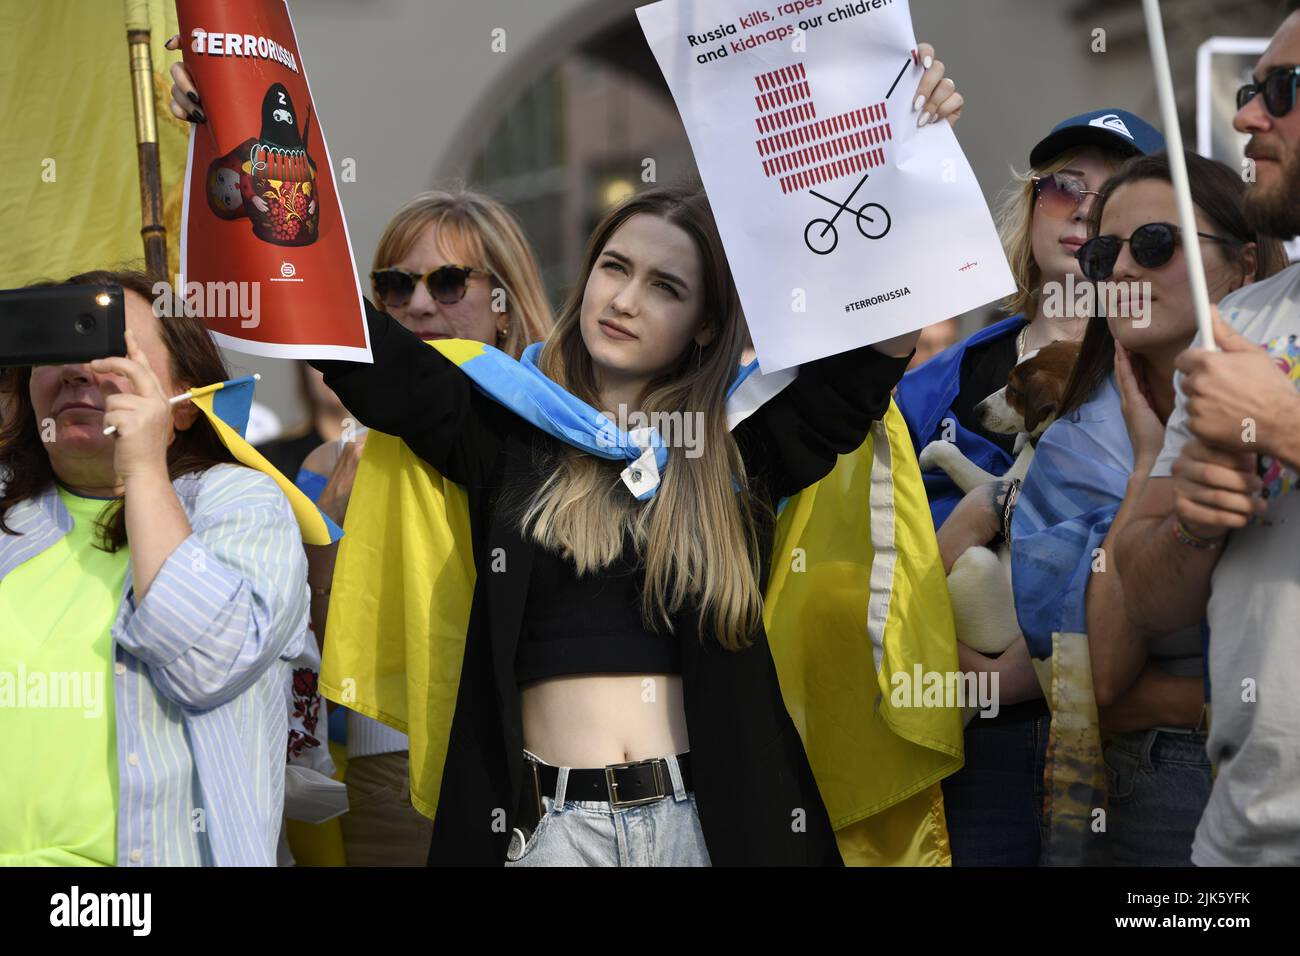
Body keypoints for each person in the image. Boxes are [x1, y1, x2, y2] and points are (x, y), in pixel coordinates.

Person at [894, 108, 1165, 867]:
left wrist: (1035, 668)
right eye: (1062, 186)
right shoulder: (935, 385)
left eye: (1113, 194)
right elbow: (873, 556)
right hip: (969, 751)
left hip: (1133, 753)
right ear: (1028, 207)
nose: (1082, 208)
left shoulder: (1178, 372)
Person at [1011, 151, 1284, 865]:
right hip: (1164, 787)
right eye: (1104, 254)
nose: (1125, 272)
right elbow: (1095, 683)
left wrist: (1182, 694)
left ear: (1247, 265)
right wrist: (1146, 468)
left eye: (1157, 245)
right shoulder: (1073, 445)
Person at [0, 270, 309, 866]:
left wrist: (142, 467)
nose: (77, 368)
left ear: (185, 404)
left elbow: (211, 665)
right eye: (56, 348)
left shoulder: (238, 503)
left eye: (111, 346)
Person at [301, 188, 554, 866]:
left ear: (505, 304)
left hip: (535, 772)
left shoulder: (556, 434)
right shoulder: (331, 462)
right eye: (393, 285)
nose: (418, 304)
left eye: (447, 282)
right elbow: (314, 654)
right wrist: (328, 528)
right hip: (384, 772)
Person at [1115, 11, 1300, 866]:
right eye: (1248, 90)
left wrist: (1284, 419)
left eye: (1283, 91)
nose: (1246, 119)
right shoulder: (1240, 326)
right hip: (1238, 847)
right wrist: (1193, 519)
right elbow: (1150, 602)